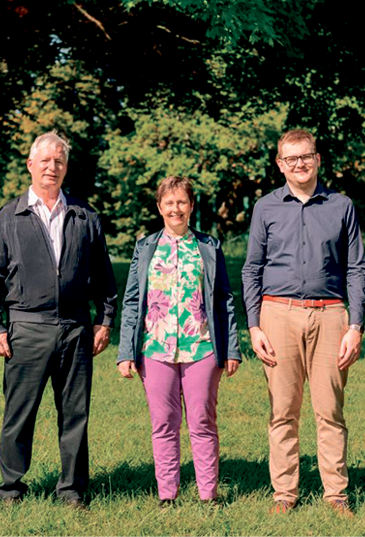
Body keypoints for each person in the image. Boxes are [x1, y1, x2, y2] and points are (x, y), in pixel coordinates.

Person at [0, 131, 117, 509]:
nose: (51, 167)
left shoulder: (85, 216)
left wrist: (104, 320)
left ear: (66, 167)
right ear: (30, 165)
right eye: (45, 161)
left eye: (59, 161)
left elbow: (104, 276)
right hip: (26, 328)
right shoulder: (9, 217)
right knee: (19, 414)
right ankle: (10, 489)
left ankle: (71, 490)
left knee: (75, 414)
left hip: (76, 329)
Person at [241, 129, 365, 515]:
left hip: (330, 316)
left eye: (306, 156)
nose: (300, 164)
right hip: (277, 315)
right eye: (291, 158)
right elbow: (252, 269)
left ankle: (336, 494)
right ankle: (284, 493)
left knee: (330, 410)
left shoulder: (341, 206)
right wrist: (254, 326)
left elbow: (356, 269)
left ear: (317, 159)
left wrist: (355, 326)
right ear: (280, 164)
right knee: (283, 410)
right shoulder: (266, 207)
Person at [117, 176, 241, 507]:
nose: (176, 209)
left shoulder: (209, 247)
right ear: (160, 207)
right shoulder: (145, 248)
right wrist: (125, 352)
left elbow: (224, 300)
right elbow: (132, 301)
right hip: (155, 349)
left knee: (202, 422)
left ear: (191, 206)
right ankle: (167, 495)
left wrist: (231, 348)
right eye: (169, 203)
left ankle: (208, 495)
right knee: (164, 424)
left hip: (202, 347)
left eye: (182, 202)